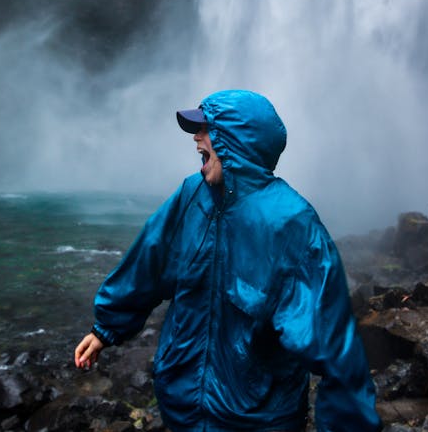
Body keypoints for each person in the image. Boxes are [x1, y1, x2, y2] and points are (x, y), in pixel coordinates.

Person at [75, 89, 381, 432]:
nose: (196, 138)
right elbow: (149, 261)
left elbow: (334, 345)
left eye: (205, 130)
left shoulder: (292, 224)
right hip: (182, 404)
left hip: (256, 419)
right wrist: (106, 328)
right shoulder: (192, 195)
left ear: (235, 142)